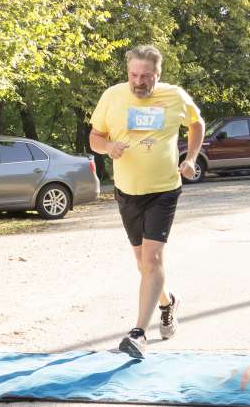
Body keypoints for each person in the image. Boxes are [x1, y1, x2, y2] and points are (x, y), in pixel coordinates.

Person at [89, 45, 205, 358]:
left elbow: (197, 124)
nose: (138, 81)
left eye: (145, 76)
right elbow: (94, 137)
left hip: (164, 189)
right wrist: (108, 146)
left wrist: (191, 157)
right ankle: (168, 303)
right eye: (133, 75)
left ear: (158, 74)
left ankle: (138, 332)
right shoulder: (112, 96)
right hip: (127, 191)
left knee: (153, 260)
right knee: (144, 265)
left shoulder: (175, 97)